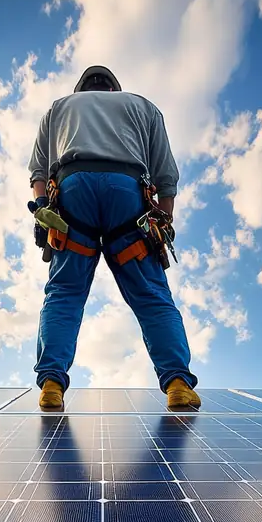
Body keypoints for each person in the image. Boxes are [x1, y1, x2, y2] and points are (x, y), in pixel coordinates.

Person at [27, 64, 201, 412]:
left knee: (64, 291)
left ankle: (51, 383)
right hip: (128, 194)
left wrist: (44, 212)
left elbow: (39, 173)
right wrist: (162, 225)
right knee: (151, 294)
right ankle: (178, 383)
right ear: (113, 89)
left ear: (82, 89)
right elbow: (166, 178)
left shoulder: (58, 108)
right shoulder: (142, 106)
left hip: (73, 190)